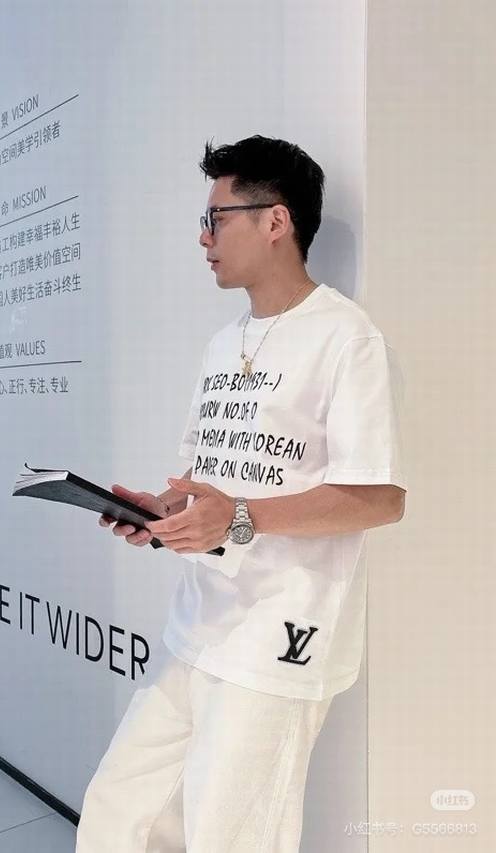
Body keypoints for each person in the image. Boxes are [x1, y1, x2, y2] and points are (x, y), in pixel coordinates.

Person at [76, 134, 407, 852]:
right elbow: (212, 487)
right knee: (116, 810)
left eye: (216, 218)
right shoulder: (224, 344)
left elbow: (381, 498)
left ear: (275, 220)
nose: (204, 238)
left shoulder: (347, 338)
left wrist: (242, 518)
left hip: (279, 635)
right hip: (199, 621)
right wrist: (163, 512)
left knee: (229, 835)